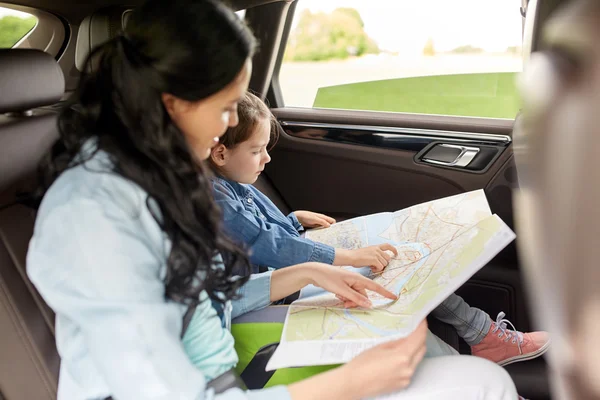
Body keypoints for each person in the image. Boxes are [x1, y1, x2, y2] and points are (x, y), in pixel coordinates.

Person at [26, 0, 520, 399]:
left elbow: (202, 305)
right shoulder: (93, 219)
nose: (226, 124)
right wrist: (346, 385)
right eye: (223, 108)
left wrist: (303, 273)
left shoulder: (153, 182)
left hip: (226, 375)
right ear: (172, 103)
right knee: (484, 385)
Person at [209, 91, 551, 367]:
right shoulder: (214, 197)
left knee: (405, 258)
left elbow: (268, 232)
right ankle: (473, 382)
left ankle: (482, 335)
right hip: (254, 301)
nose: (267, 159)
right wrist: (346, 256)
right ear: (221, 154)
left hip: (282, 281)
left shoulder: (238, 184)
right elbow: (268, 245)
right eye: (256, 151)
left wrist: (294, 219)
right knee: (384, 316)